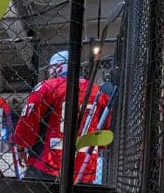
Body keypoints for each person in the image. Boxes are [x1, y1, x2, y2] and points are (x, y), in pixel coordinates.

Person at [14, 50, 109, 182]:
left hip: (48, 162)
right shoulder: (98, 92)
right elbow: (103, 133)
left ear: (57, 67)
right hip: (84, 166)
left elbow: (27, 122)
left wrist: (21, 146)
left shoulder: (46, 87)